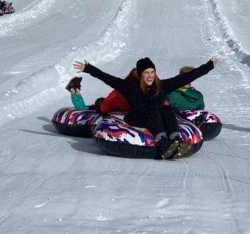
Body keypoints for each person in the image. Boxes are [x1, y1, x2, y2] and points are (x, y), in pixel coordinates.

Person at [73, 57, 216, 159]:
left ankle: (176, 140)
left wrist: (209, 65)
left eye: (152, 72)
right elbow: (107, 78)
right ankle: (163, 144)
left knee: (166, 109)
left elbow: (188, 76)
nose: (150, 76)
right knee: (154, 108)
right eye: (146, 73)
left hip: (156, 117)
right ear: (141, 74)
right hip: (137, 117)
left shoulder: (162, 85)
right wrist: (88, 68)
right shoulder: (130, 87)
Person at [66, 69, 136, 113]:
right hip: (106, 104)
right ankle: (73, 90)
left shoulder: (130, 89)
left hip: (110, 104)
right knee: (84, 108)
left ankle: (74, 90)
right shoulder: (124, 89)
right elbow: (108, 104)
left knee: (88, 107)